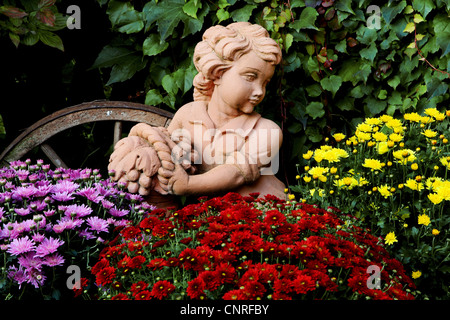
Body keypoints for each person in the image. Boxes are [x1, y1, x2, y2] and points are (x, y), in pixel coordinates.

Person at [108, 22, 286, 206]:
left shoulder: (266, 131)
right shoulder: (188, 115)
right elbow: (168, 152)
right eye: (250, 77)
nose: (259, 90)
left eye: (265, 82)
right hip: (202, 221)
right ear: (217, 73)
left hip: (258, 217)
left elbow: (237, 173)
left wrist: (188, 185)